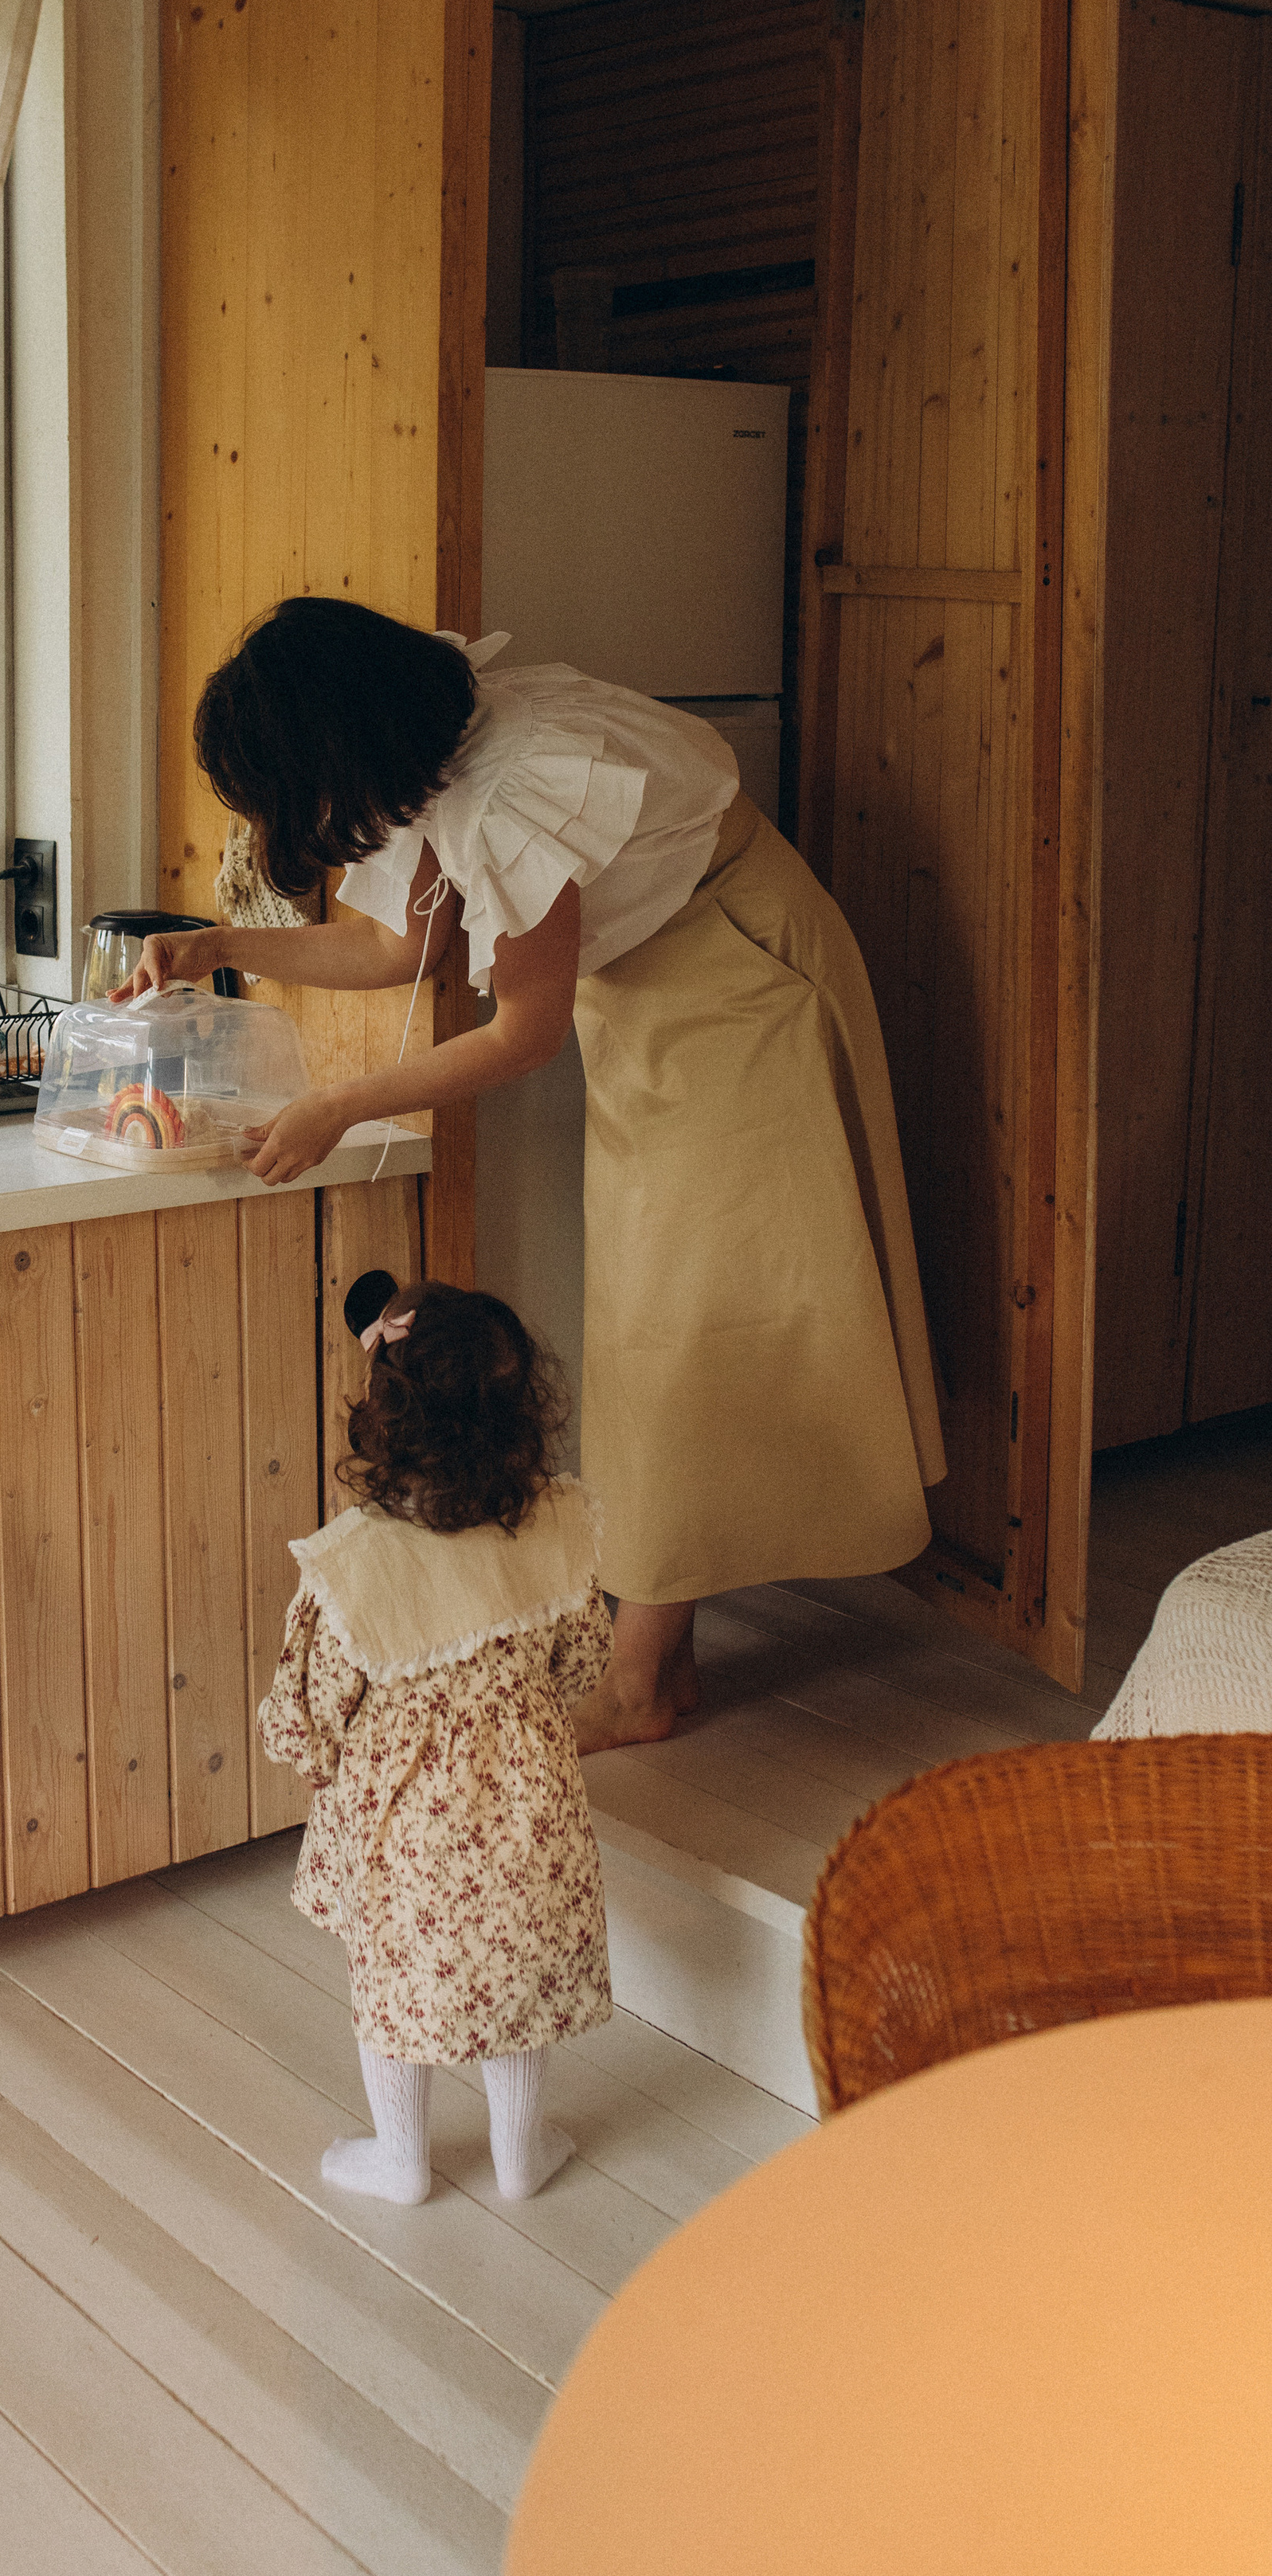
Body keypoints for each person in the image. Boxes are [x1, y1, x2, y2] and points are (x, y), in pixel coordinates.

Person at [132, 595, 945, 1751]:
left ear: (340, 747)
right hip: (666, 994)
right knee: (660, 1322)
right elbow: (391, 947)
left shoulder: (510, 791)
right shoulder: (437, 746)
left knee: (689, 1324)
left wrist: (337, 1109)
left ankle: (643, 1681)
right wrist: (217, 947)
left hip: (739, 982)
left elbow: (520, 1033)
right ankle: (663, 1658)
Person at [258, 1270, 611, 2207]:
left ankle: (403, 2161)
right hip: (532, 1821)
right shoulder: (552, 1528)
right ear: (521, 1414)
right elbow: (581, 1662)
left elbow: (310, 1707)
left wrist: (315, 1767)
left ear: (384, 1412)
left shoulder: (358, 1562)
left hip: (407, 1832)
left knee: (393, 1989)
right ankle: (520, 2156)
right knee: (515, 1990)